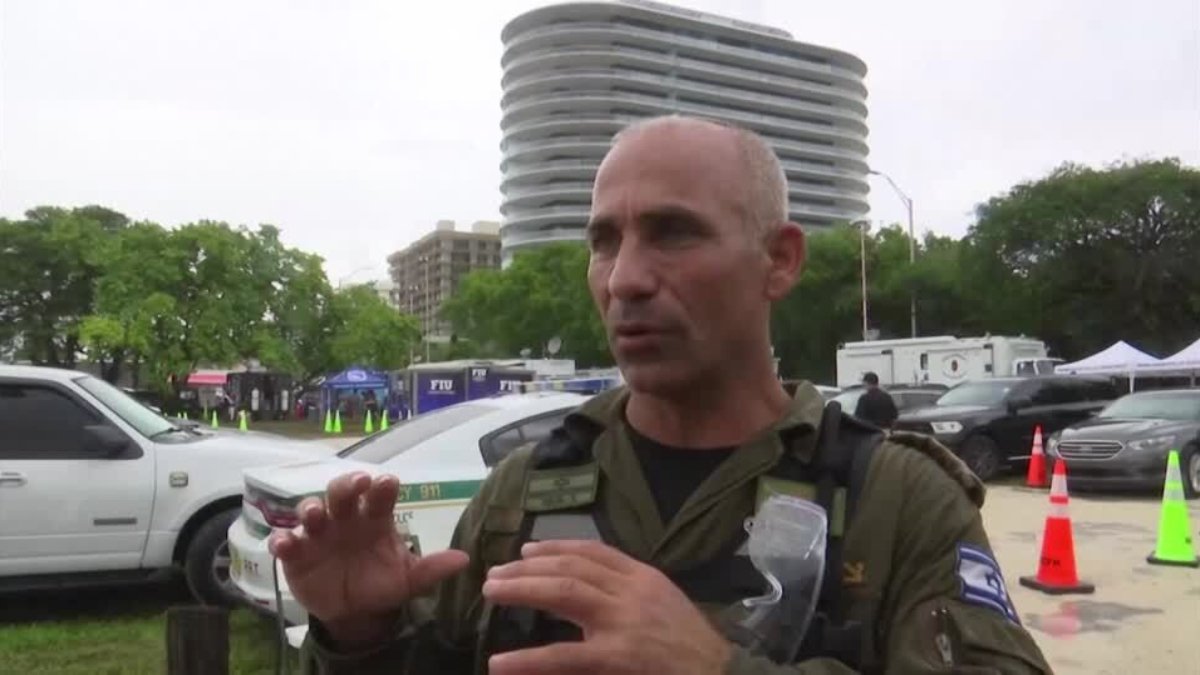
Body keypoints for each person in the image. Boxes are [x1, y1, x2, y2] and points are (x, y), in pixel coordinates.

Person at [272, 116, 1051, 674]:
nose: (624, 279)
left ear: (779, 260)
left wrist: (715, 665)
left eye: (673, 232)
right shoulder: (523, 491)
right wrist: (362, 633)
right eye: (603, 241)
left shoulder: (898, 500)